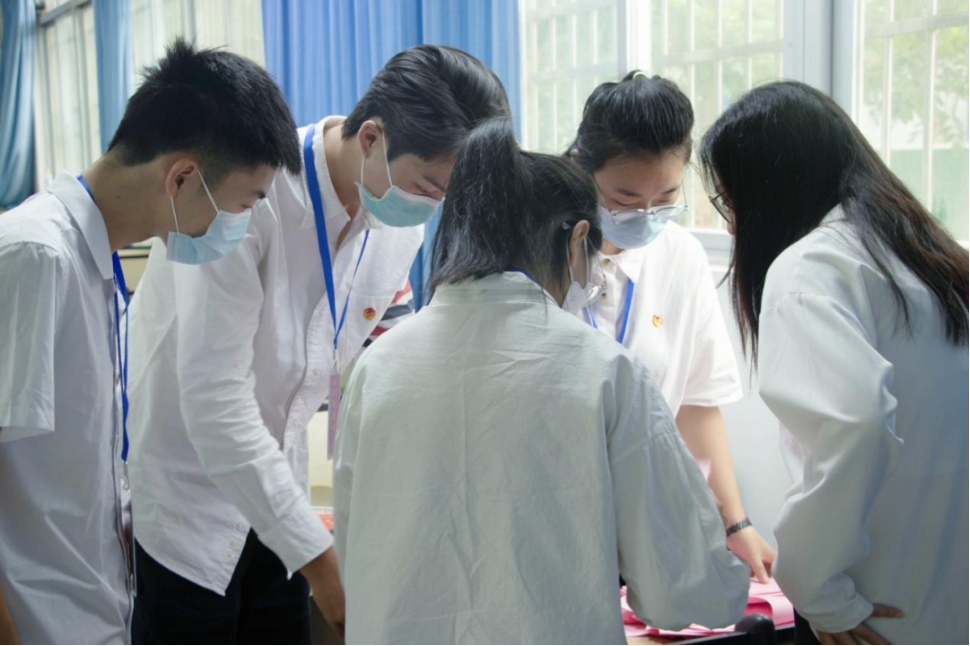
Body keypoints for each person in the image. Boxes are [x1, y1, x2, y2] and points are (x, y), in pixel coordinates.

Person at [126, 45, 511, 644]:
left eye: (446, 196)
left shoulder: (398, 226)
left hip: (280, 493)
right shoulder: (249, 194)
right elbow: (214, 400)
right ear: (372, 137)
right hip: (189, 498)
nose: (432, 207)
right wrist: (322, 563)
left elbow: (386, 363)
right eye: (428, 186)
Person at [333, 119, 750, 645]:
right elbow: (684, 591)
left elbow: (353, 550)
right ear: (577, 239)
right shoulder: (604, 370)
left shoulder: (377, 367)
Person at [0, 39, 300, 645]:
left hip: (91, 611)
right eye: (244, 203)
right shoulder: (37, 255)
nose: (241, 225)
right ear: (182, 177)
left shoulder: (98, 266)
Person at [700, 81, 969, 645]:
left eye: (730, 200)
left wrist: (817, 588)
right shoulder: (929, 258)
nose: (730, 225)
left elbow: (858, 423)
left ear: (771, 188)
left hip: (876, 611)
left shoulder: (810, 269)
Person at [568, 71, 776, 581]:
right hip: (555, 515)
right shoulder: (537, 254)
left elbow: (697, 404)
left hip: (643, 521)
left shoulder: (680, 255)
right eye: (624, 198)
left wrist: (736, 523)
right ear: (581, 168)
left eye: (665, 198)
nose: (645, 214)